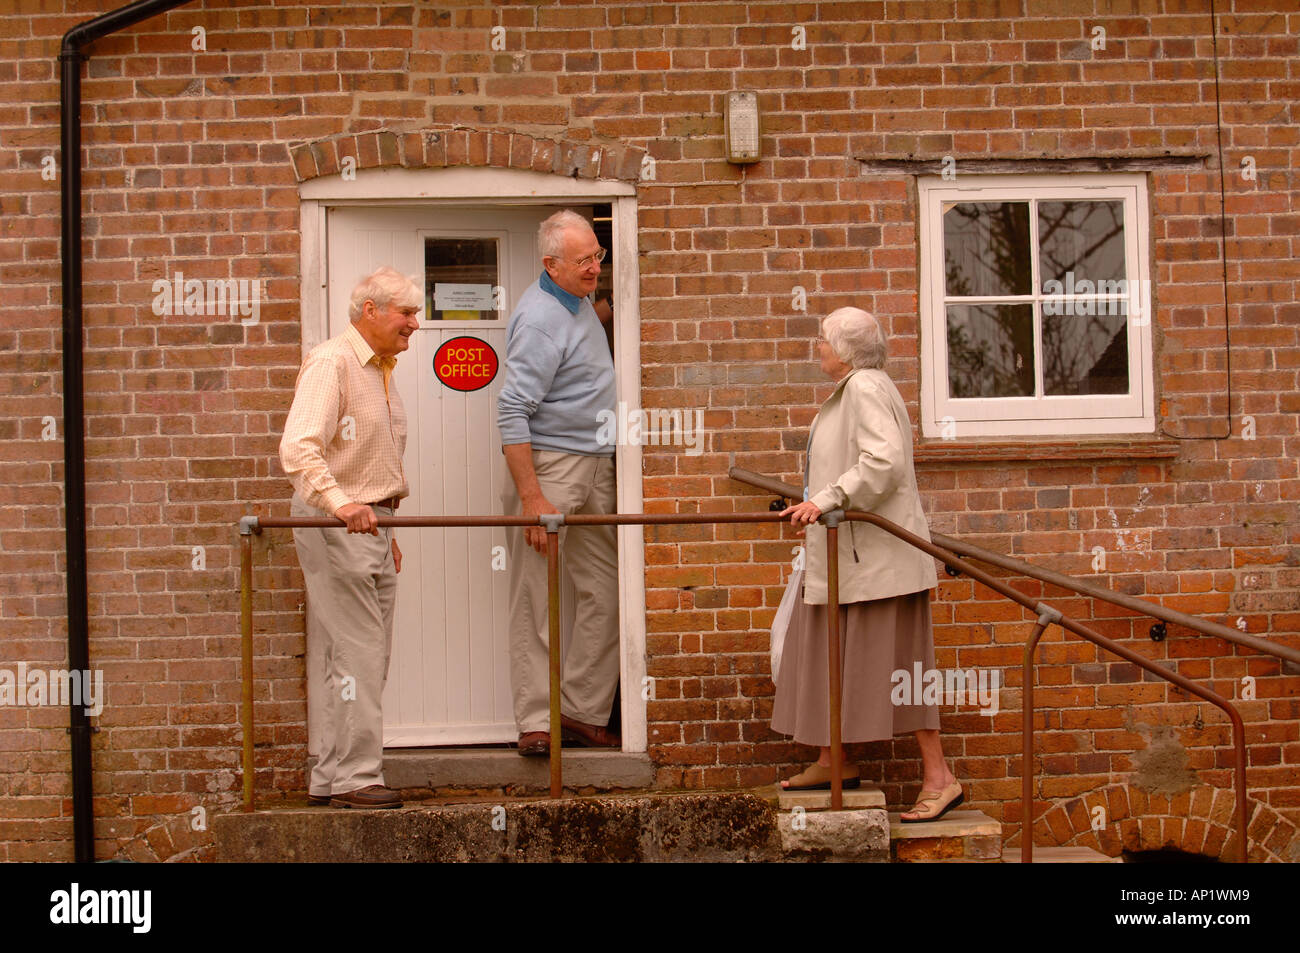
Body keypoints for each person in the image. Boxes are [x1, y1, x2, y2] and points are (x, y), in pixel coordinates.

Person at [772, 306, 963, 822]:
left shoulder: (864, 388)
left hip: (877, 562)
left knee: (904, 668)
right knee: (830, 650)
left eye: (824, 340)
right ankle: (833, 760)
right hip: (854, 557)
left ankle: (940, 778)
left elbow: (885, 463)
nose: (818, 347)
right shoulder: (862, 386)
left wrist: (827, 497)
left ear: (847, 350)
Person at [279, 267, 421, 808]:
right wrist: (343, 506)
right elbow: (298, 449)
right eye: (406, 313)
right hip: (339, 526)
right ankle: (358, 778)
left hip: (373, 527)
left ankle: (332, 777)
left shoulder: (381, 370)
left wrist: (388, 524)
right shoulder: (332, 362)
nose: (415, 323)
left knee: (357, 655)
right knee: (361, 653)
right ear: (371, 311)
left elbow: (373, 460)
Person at [497, 210, 621, 757]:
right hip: (552, 468)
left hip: (596, 463)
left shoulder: (575, 306)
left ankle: (580, 709)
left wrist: (602, 314)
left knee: (609, 589)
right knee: (536, 596)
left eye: (598, 256)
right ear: (550, 264)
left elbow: (581, 329)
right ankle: (535, 721)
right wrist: (531, 498)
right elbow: (511, 411)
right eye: (583, 261)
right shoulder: (541, 318)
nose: (596, 267)